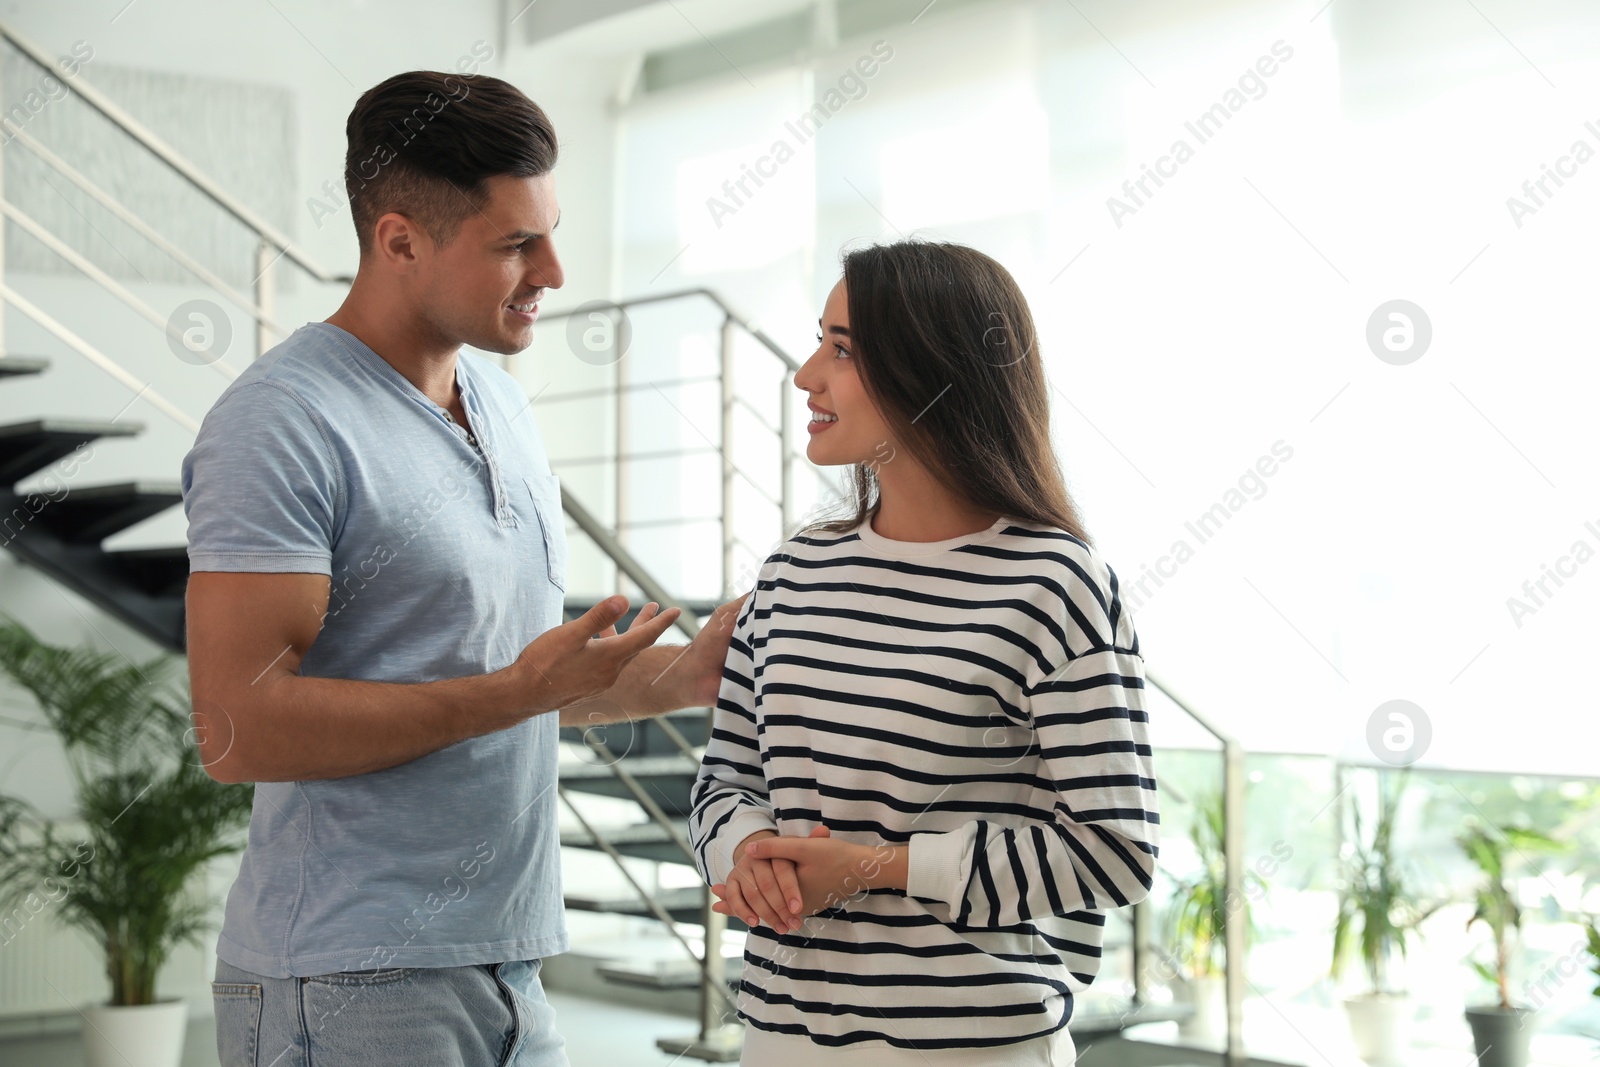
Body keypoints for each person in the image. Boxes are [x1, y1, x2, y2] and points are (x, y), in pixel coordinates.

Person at [184, 71, 742, 1067]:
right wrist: (510, 691)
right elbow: (237, 727)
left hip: (509, 964)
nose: (556, 270)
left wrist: (688, 675)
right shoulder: (282, 421)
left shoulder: (502, 404)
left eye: (552, 230)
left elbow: (512, 684)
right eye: (516, 243)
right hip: (346, 978)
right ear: (400, 240)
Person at [688, 240, 1160, 1065]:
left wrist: (876, 867)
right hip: (775, 1037)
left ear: (926, 371)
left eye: (841, 349)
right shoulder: (792, 572)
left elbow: (1115, 849)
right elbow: (723, 779)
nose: (807, 375)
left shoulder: (1053, 583)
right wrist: (746, 852)